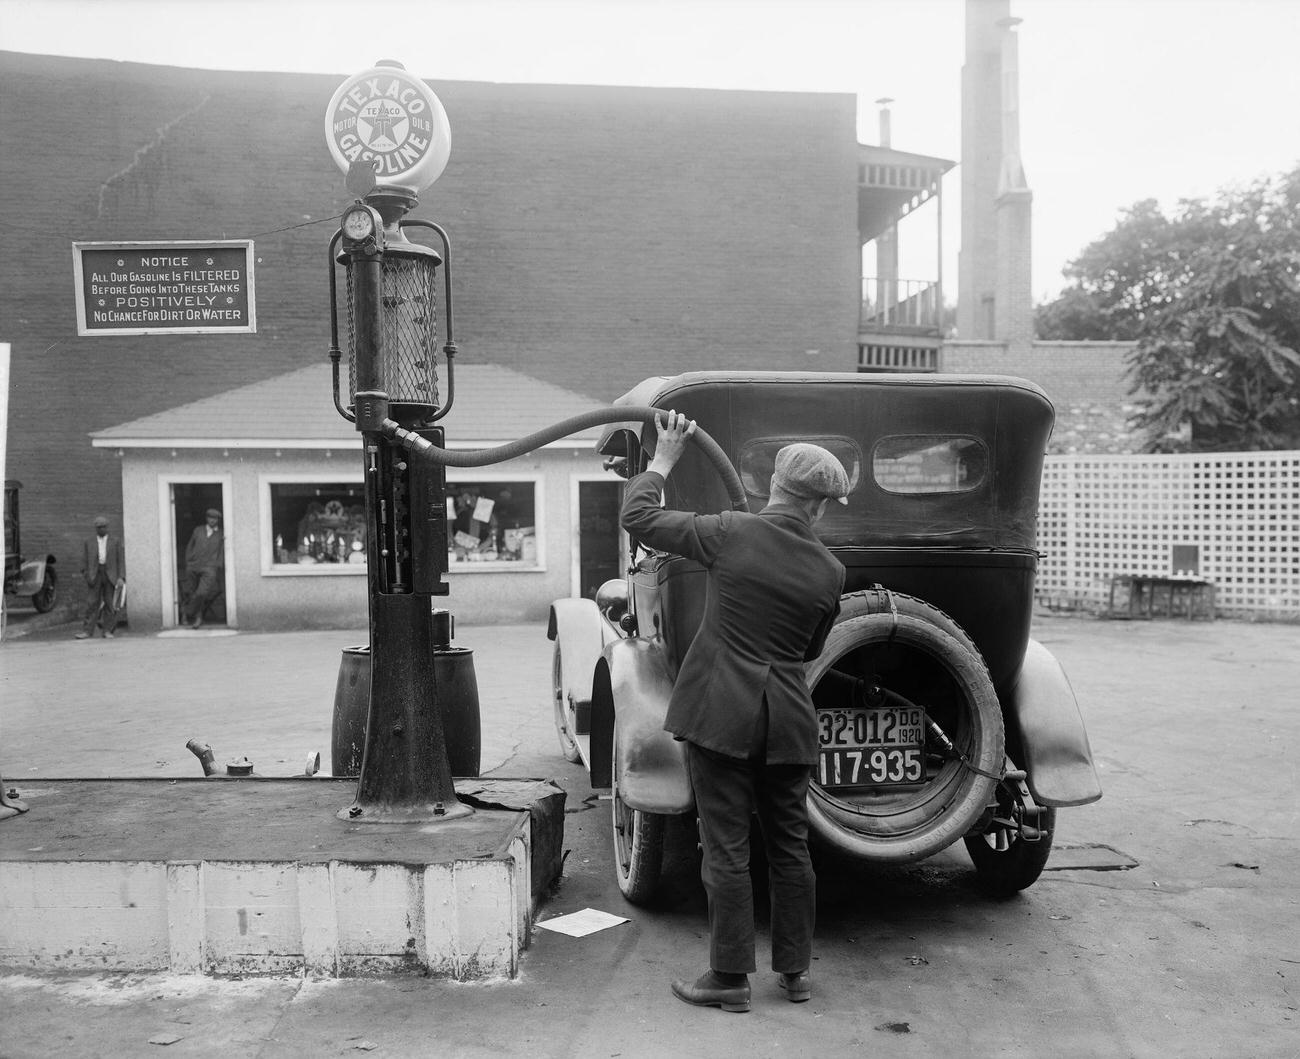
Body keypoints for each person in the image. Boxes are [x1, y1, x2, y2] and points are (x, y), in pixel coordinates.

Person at [620, 411, 848, 1014]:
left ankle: (728, 979)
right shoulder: (831, 571)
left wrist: (662, 462)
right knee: (790, 848)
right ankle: (795, 974)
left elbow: (636, 519)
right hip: (790, 721)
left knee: (725, 848)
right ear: (821, 508)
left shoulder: (730, 532)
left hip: (722, 714)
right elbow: (810, 650)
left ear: (775, 486)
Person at [76, 515, 125, 639]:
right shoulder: (89, 541)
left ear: (107, 527)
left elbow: (121, 560)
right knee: (92, 603)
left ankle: (107, 631)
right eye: (99, 527)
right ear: (95, 529)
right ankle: (87, 631)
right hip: (95, 575)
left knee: (110, 604)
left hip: (111, 575)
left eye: (103, 527)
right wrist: (86, 575)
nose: (101, 529)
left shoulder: (115, 541)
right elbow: (84, 560)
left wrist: (121, 577)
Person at [181, 508, 224, 629]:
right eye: (210, 517)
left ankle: (185, 611)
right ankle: (198, 618)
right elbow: (190, 546)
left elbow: (221, 551)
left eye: (215, 518)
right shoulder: (198, 530)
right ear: (206, 518)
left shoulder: (221, 534)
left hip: (209, 568)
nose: (212, 520)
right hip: (193, 566)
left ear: (218, 520)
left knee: (201, 592)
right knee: (191, 591)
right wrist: (189, 561)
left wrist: (217, 565)